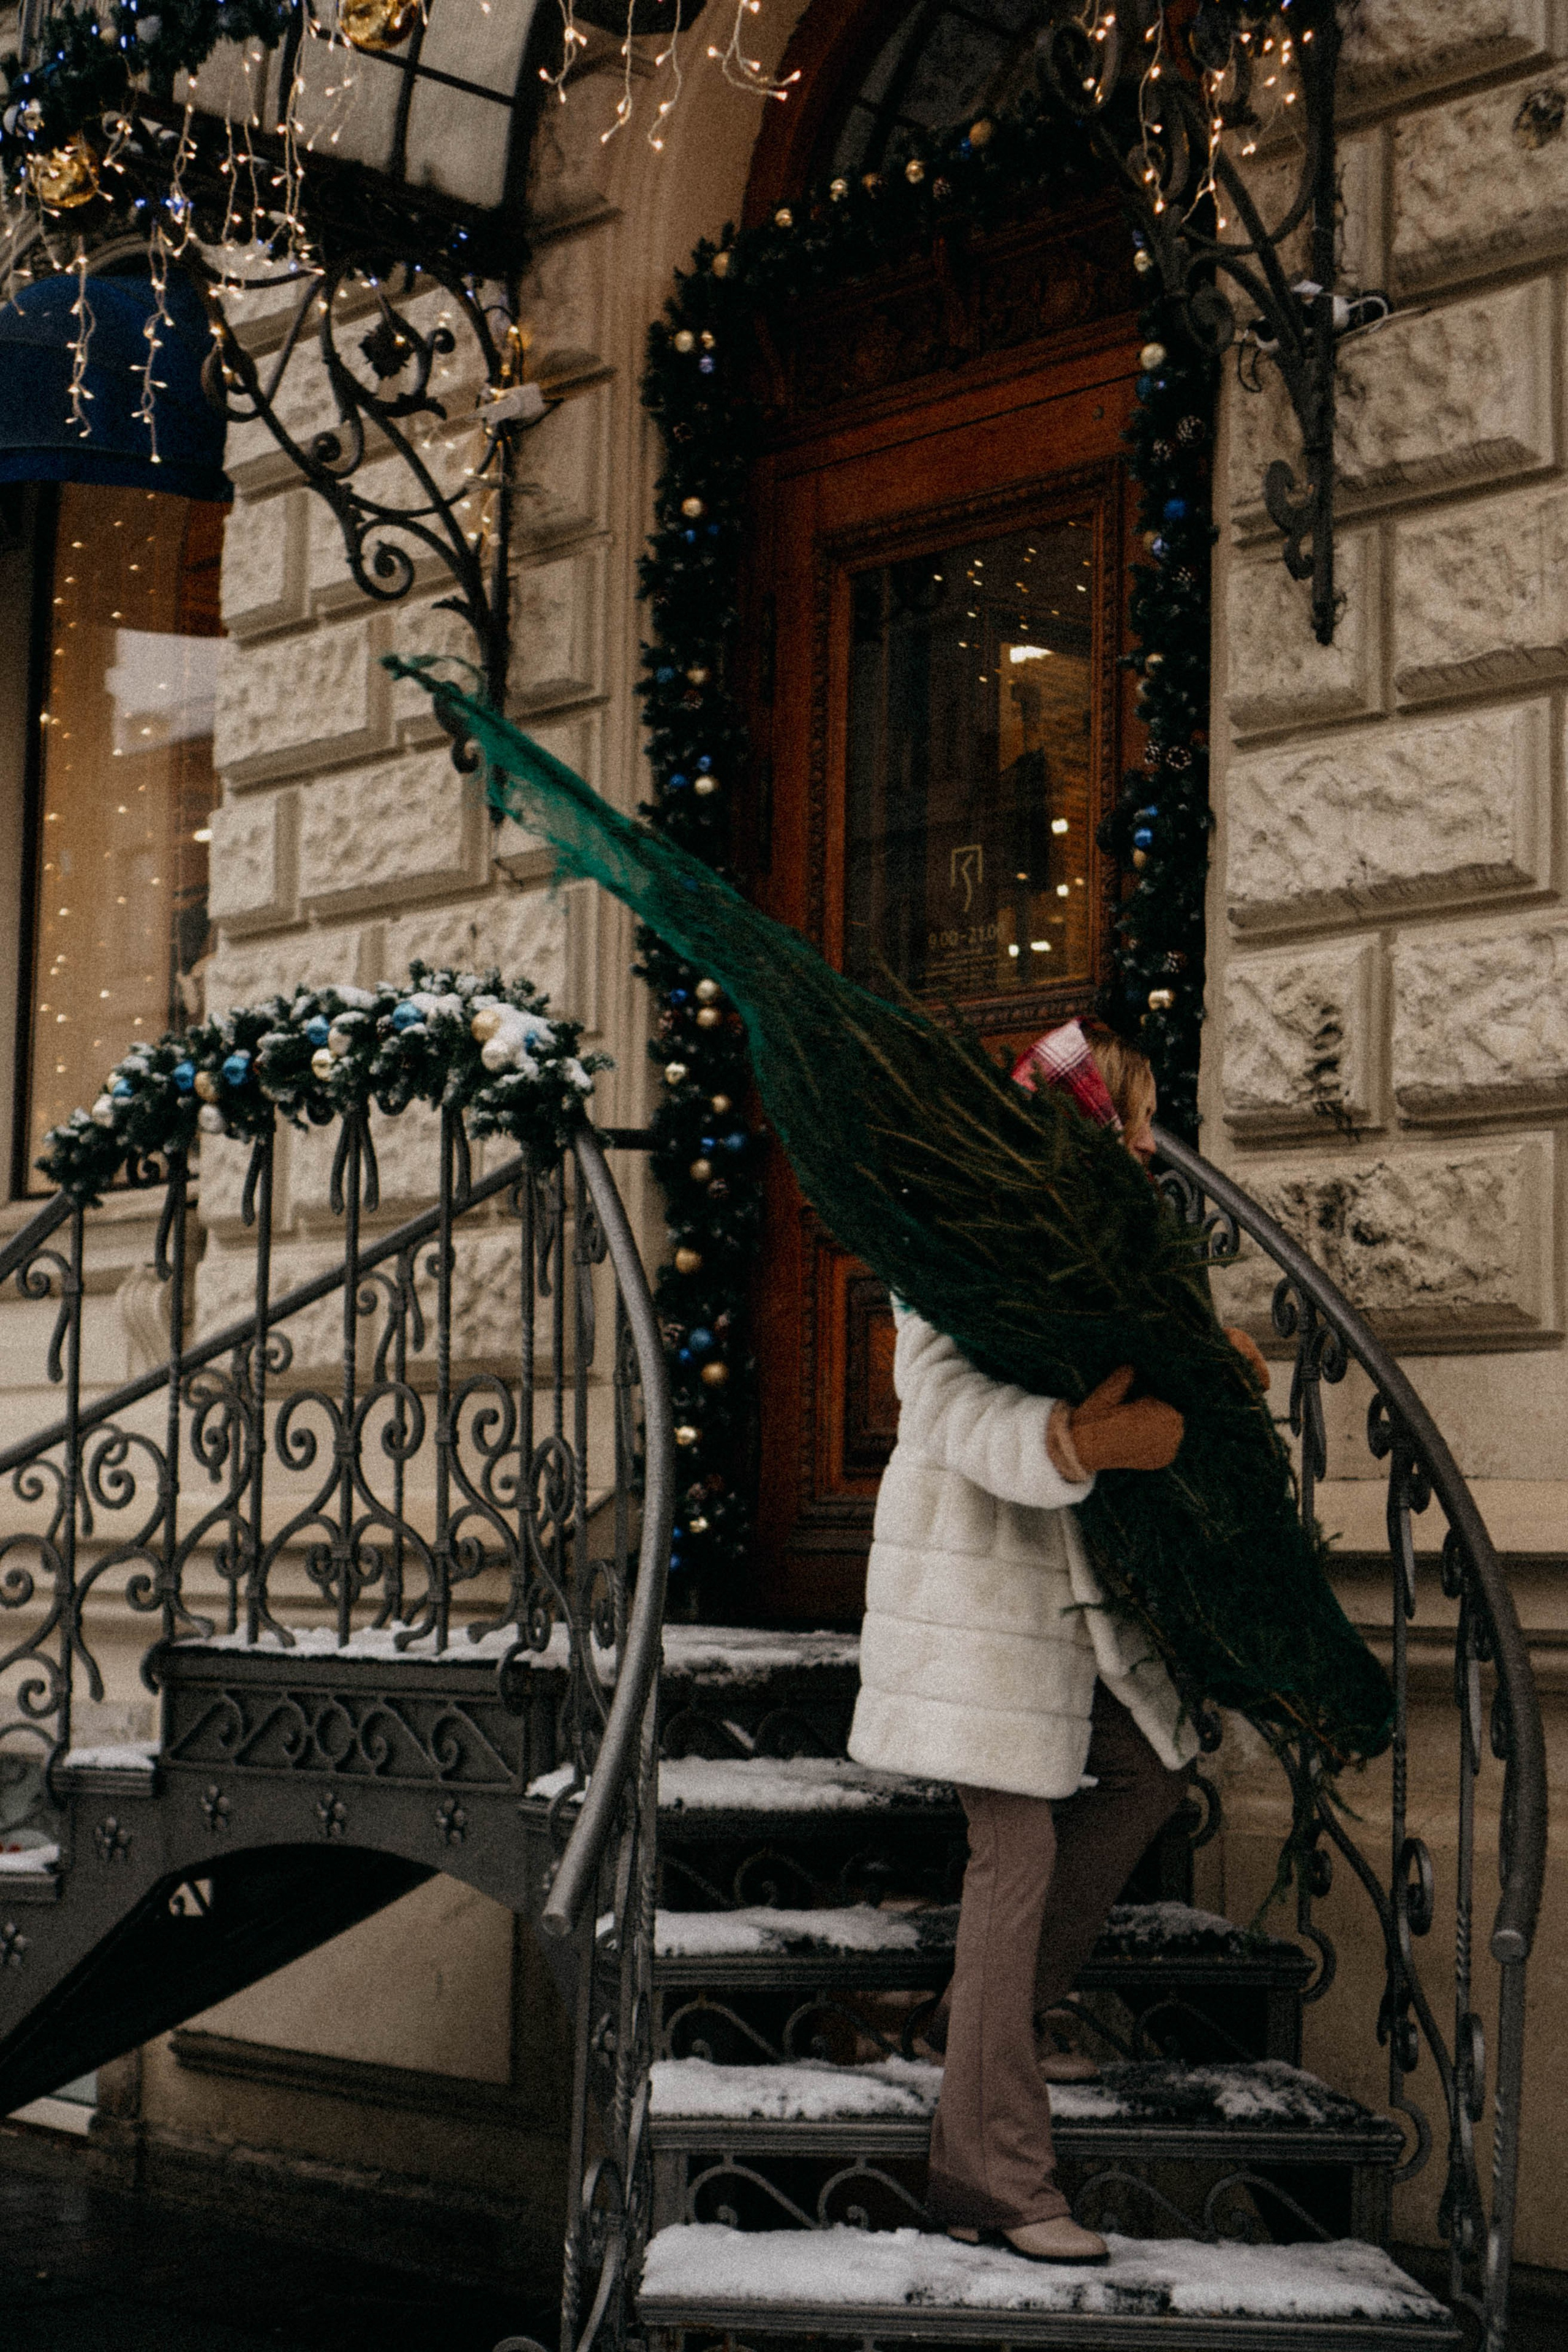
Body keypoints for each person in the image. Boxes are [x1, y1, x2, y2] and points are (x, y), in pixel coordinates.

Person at [845, 1017, 1269, 2266]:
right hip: (974, 1579)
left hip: (1083, 1586)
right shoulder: (962, 1233)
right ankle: (991, 2173)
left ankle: (981, 2025)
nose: (1145, 1143)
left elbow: (1137, 1360)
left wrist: (1206, 1370)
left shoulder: (1114, 1241)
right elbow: (936, 1399)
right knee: (1013, 1843)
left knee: (1145, 1774)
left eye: (1146, 1119)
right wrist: (1073, 1444)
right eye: (1127, 1116)